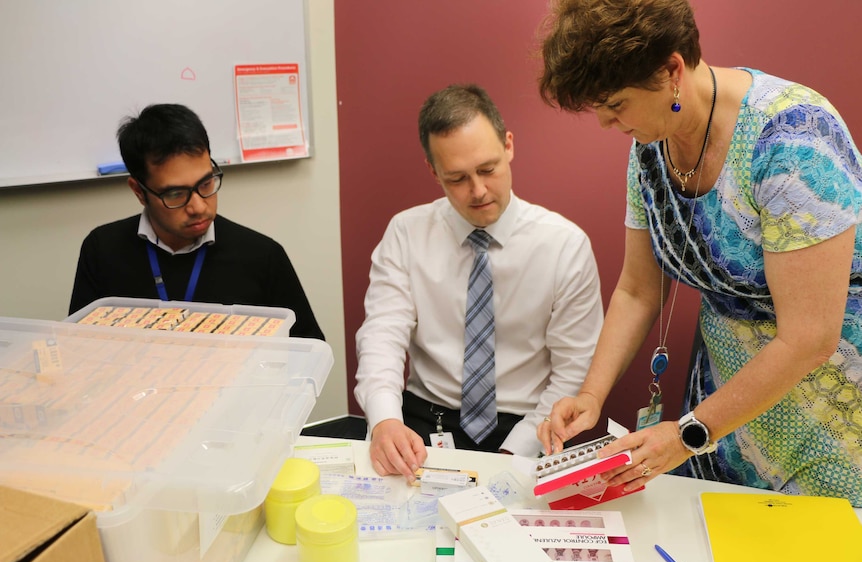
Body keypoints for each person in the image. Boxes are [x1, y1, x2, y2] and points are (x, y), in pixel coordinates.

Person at [536, 0, 862, 506]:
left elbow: (810, 338)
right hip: (722, 410)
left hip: (828, 415)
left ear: (672, 70)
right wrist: (591, 394)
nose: (605, 123)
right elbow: (639, 289)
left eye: (616, 104)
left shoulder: (794, 139)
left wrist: (689, 432)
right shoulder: (651, 144)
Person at [354, 84, 604, 479]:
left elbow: (575, 368)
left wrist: (516, 452)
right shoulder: (406, 233)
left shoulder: (564, 246)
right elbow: (382, 336)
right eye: (456, 178)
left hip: (530, 425)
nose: (478, 191)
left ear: (508, 146)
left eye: (488, 169)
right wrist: (385, 419)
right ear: (432, 171)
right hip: (423, 423)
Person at [69, 103, 324, 340]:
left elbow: (308, 350)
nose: (199, 206)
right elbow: (79, 350)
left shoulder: (262, 256)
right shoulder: (102, 251)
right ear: (138, 192)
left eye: (206, 183)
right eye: (176, 194)